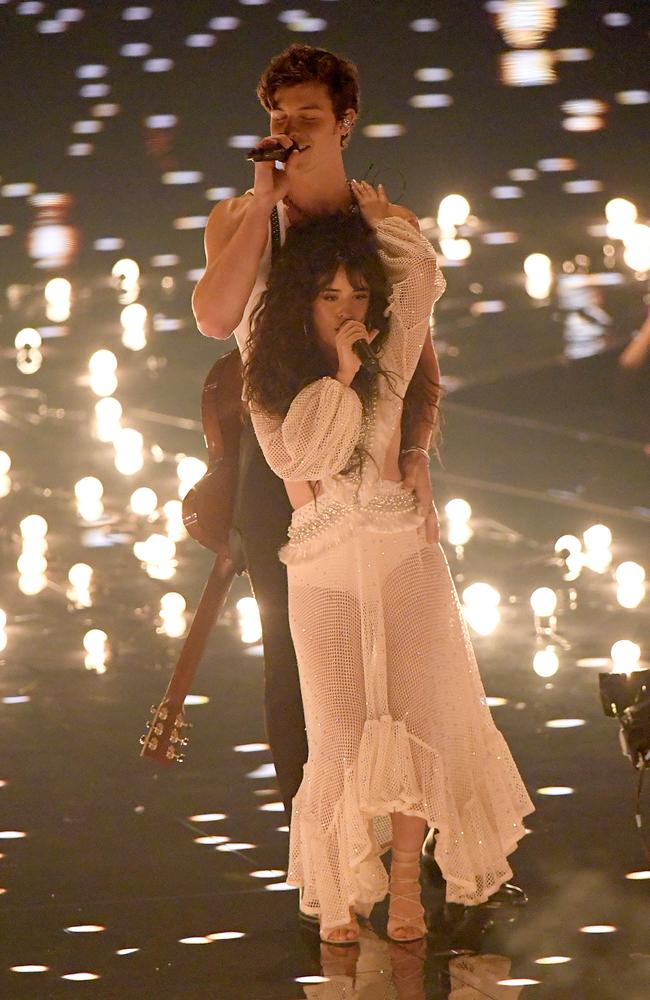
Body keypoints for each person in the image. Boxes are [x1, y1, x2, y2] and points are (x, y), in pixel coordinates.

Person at [243, 187, 534, 946]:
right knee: (339, 729)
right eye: (330, 292)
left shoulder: (392, 356)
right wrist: (339, 372)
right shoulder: (270, 372)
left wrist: (378, 215)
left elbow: (420, 270)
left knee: (418, 718)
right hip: (321, 561)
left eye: (358, 292)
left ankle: (408, 885)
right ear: (302, 298)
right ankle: (340, 889)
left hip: (404, 548)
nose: (347, 306)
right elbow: (298, 456)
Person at [192, 45, 441, 825]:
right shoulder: (239, 217)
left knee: (400, 655)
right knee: (296, 659)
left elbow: (421, 355)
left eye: (307, 117)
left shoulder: (385, 223)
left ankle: (413, 842)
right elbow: (215, 318)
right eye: (278, 118)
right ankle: (321, 854)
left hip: (374, 456)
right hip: (280, 460)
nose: (291, 131)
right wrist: (264, 205)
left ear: (344, 124)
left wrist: (416, 452)